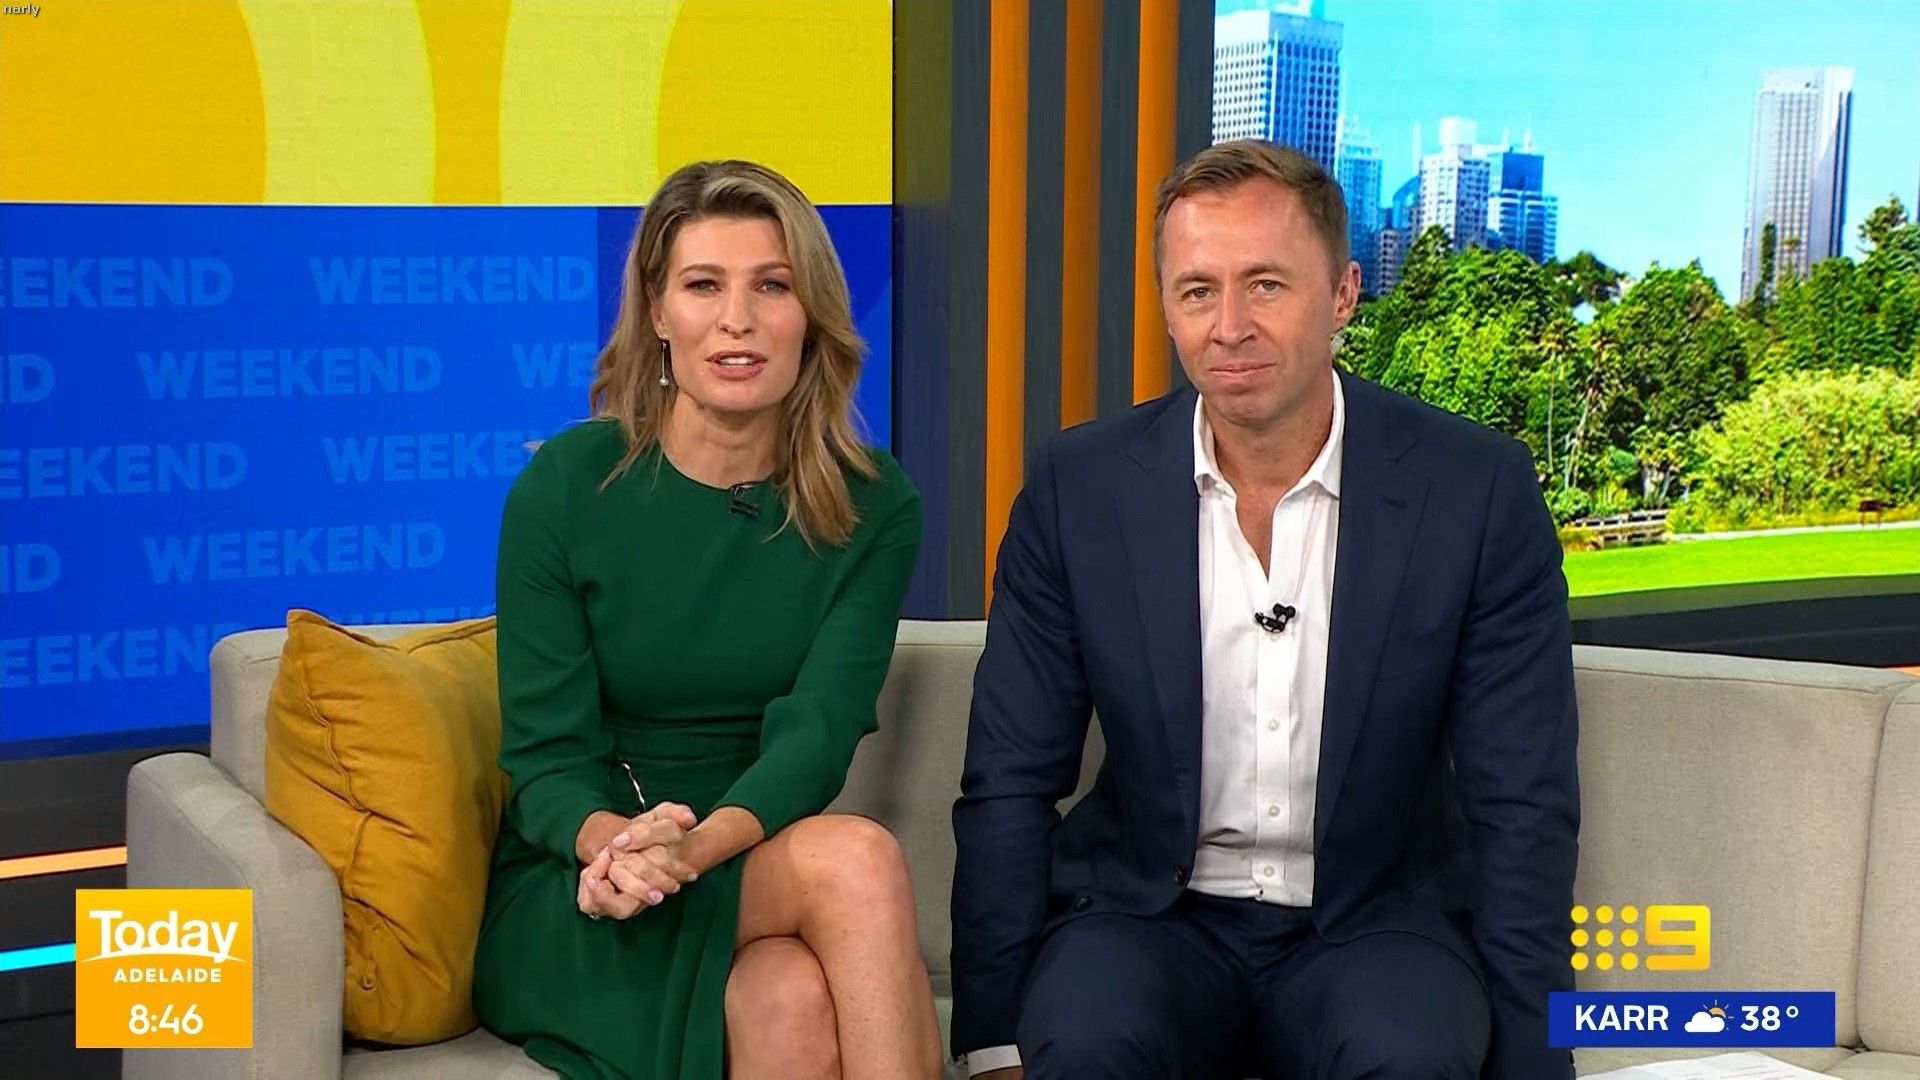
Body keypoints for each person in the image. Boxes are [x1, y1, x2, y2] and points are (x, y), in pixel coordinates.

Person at [951, 138, 1580, 1079]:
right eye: (1197, 291)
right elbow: (1008, 779)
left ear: (1343, 294)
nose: (1229, 326)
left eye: (1267, 286)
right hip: (1148, 918)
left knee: (1408, 1056)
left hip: (1377, 927)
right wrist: (993, 1036)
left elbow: (1523, 804)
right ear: (1167, 307)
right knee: (1084, 1043)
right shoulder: (1077, 490)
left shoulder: (1474, 491)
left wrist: (1536, 1063)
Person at [474, 159, 944, 1080]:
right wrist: (619, 850)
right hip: (586, 881)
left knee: (788, 998)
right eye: (703, 286)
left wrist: (693, 849)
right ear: (657, 312)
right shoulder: (566, 487)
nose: (738, 318)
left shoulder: (873, 506)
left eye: (771, 285)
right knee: (854, 861)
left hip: (749, 850)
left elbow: (818, 735)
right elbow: (545, 756)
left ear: (810, 314)